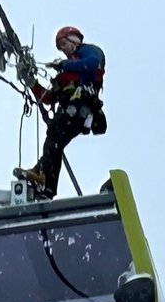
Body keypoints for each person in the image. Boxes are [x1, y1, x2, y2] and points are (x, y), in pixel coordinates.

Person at [15, 26, 106, 199]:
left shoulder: (88, 52)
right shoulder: (65, 75)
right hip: (70, 111)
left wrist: (65, 65)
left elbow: (95, 63)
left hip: (80, 109)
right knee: (53, 145)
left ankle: (47, 183)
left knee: (54, 140)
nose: (63, 49)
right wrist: (31, 82)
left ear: (75, 38)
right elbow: (48, 98)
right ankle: (42, 177)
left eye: (64, 43)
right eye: (60, 46)